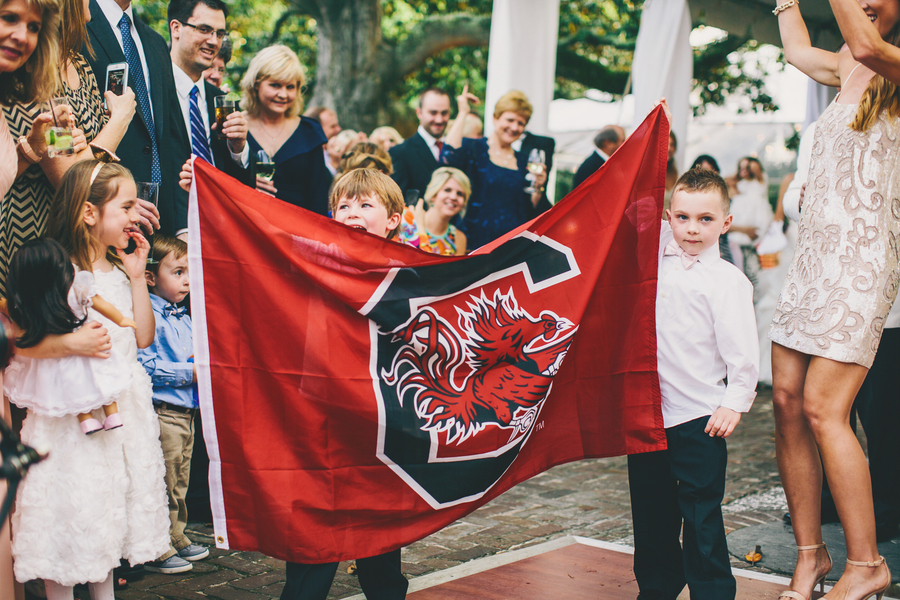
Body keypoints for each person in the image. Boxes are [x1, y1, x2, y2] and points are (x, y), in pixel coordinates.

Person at [770, 1, 900, 597]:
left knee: (826, 409)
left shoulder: (886, 60)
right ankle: (810, 556)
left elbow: (871, 45)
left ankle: (867, 564)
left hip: (861, 265)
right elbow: (797, 51)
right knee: (787, 402)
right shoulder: (845, 60)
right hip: (811, 261)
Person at [11, 159, 170, 600]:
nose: (137, 217)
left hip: (122, 415)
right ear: (88, 213)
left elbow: (141, 336)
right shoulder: (53, 269)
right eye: (126, 206)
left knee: (106, 522)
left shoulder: (120, 272)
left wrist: (138, 277)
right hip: (69, 421)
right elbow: (21, 343)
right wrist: (72, 344)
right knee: (68, 518)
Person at [628, 166, 758, 600]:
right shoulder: (652, 260)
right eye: (682, 217)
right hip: (648, 414)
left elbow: (743, 352)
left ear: (725, 223)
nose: (691, 229)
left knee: (701, 515)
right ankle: (658, 587)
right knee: (651, 515)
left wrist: (734, 403)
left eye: (705, 219)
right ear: (669, 217)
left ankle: (712, 591)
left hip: (700, 418)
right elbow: (628, 212)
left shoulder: (727, 282)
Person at [280, 168, 408, 600]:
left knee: (380, 530)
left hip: (380, 417)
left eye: (365, 204)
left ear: (392, 219)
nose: (352, 212)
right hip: (323, 413)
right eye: (343, 206)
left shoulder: (407, 269)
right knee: (316, 525)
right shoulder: (315, 258)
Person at [3, 238, 135, 434]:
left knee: (72, 383)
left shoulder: (32, 300)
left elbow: (7, 308)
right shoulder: (75, 286)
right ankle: (112, 413)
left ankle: (86, 419)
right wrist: (121, 319)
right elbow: (100, 303)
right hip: (87, 341)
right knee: (101, 373)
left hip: (65, 355)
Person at [85, 0, 191, 237]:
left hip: (160, 218)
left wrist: (181, 224)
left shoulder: (155, 42)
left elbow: (172, 135)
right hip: (101, 217)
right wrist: (120, 199)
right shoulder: (77, 27)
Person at [137, 235, 208, 574]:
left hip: (186, 412)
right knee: (162, 480)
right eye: (178, 272)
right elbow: (144, 364)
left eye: (189, 271)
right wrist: (188, 372)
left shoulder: (185, 315)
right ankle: (158, 546)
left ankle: (177, 535)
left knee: (180, 478)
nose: (187, 280)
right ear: (150, 277)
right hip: (163, 412)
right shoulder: (147, 313)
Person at [440, 88, 548, 250]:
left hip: (510, 248)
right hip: (473, 245)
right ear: (495, 119)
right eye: (510, 120)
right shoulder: (474, 148)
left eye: (521, 123)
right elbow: (448, 156)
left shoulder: (523, 161)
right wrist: (463, 112)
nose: (514, 127)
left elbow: (527, 208)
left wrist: (538, 186)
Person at [168, 0, 253, 188]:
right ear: (176, 29)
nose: (214, 41)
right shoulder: (152, 89)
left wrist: (238, 150)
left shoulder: (222, 102)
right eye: (204, 29)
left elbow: (241, 186)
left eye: (220, 33)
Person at [244, 45, 330, 216]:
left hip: (299, 232)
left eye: (290, 87)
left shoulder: (309, 132)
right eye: (275, 85)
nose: (283, 94)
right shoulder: (235, 126)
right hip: (245, 228)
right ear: (255, 85)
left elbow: (318, 197)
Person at [389, 88, 451, 201]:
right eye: (433, 113)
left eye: (444, 113)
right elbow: (398, 201)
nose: (439, 119)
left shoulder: (456, 149)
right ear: (419, 113)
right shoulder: (400, 153)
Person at [399, 166, 469, 256]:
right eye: (447, 190)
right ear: (433, 195)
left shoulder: (458, 238)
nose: (453, 197)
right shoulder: (405, 220)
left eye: (460, 194)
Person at [725, 156, 772, 280]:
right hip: (742, 220)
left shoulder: (760, 180)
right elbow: (727, 180)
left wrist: (750, 164)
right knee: (735, 245)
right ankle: (740, 275)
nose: (744, 171)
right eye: (741, 168)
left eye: (747, 168)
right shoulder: (740, 184)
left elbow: (757, 171)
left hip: (757, 216)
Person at [572, 124, 625, 189]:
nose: (624, 145)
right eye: (622, 141)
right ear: (607, 143)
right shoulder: (591, 166)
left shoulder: (598, 163)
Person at [304, 105, 341, 176]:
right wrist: (333, 164)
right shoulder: (308, 157)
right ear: (316, 129)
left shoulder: (331, 152)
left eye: (337, 125)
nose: (338, 129)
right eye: (333, 126)